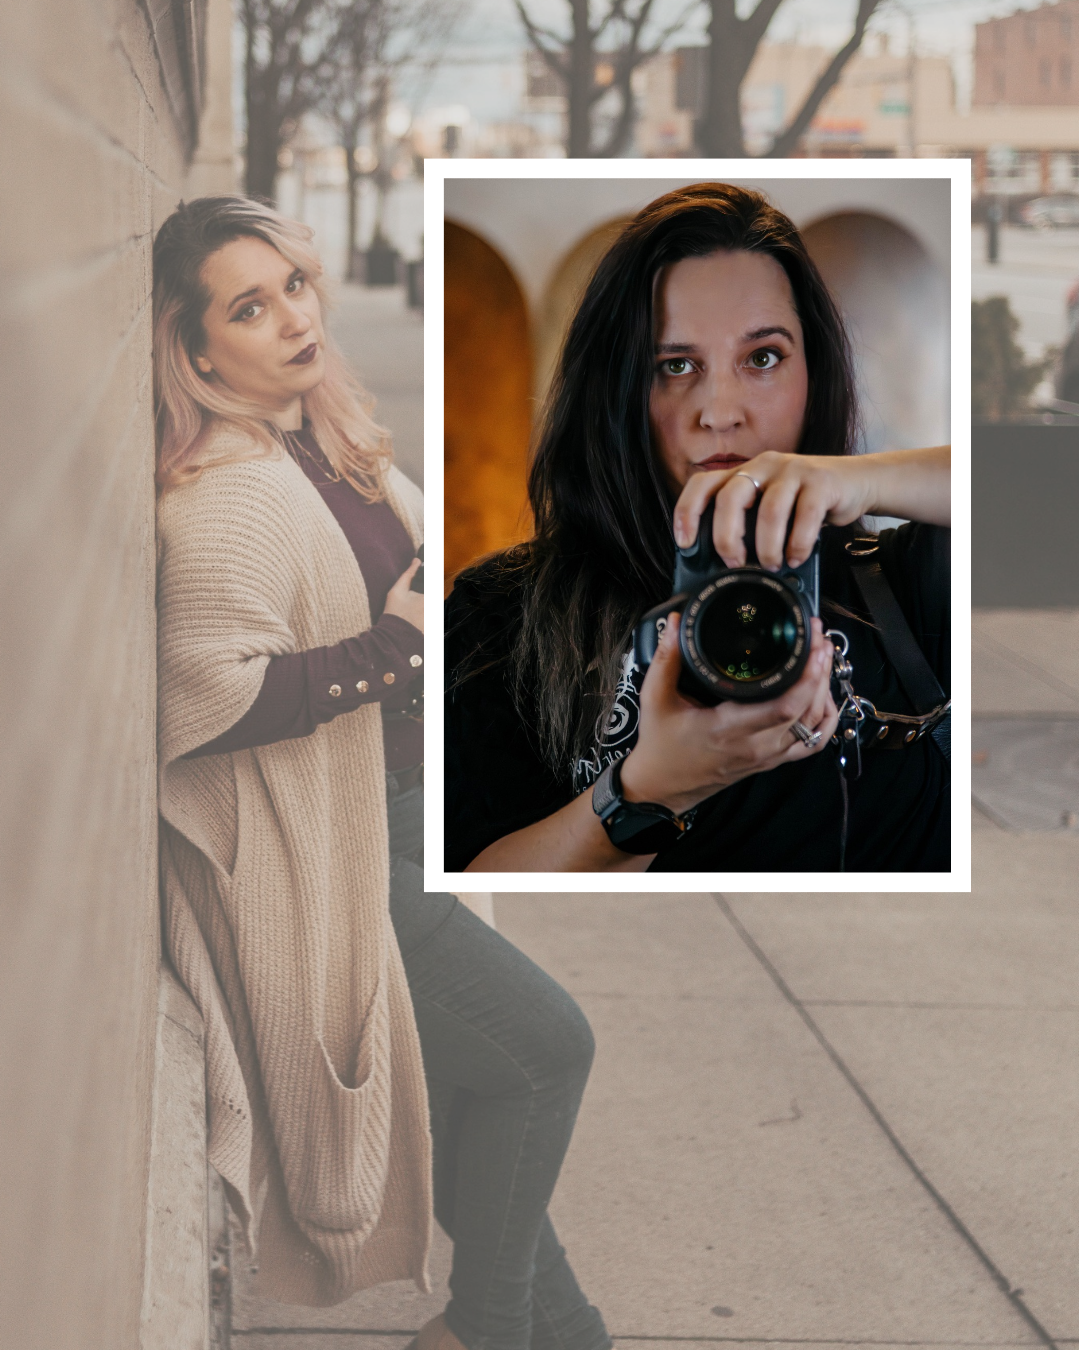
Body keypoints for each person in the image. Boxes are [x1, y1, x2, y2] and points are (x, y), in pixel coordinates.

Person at [154, 196, 610, 1350]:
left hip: (405, 822)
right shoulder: (224, 492)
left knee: (474, 1104)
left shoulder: (326, 443)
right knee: (545, 1050)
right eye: (249, 308)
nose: (292, 318)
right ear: (198, 347)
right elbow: (205, 700)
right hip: (338, 855)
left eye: (295, 286)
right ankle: (481, 1330)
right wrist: (393, 651)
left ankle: (553, 1332)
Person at [445, 183, 951, 874]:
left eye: (763, 357)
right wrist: (647, 792)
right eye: (674, 365)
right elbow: (468, 895)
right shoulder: (503, 611)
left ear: (817, 369)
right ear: (617, 386)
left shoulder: (900, 586)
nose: (720, 410)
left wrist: (860, 478)